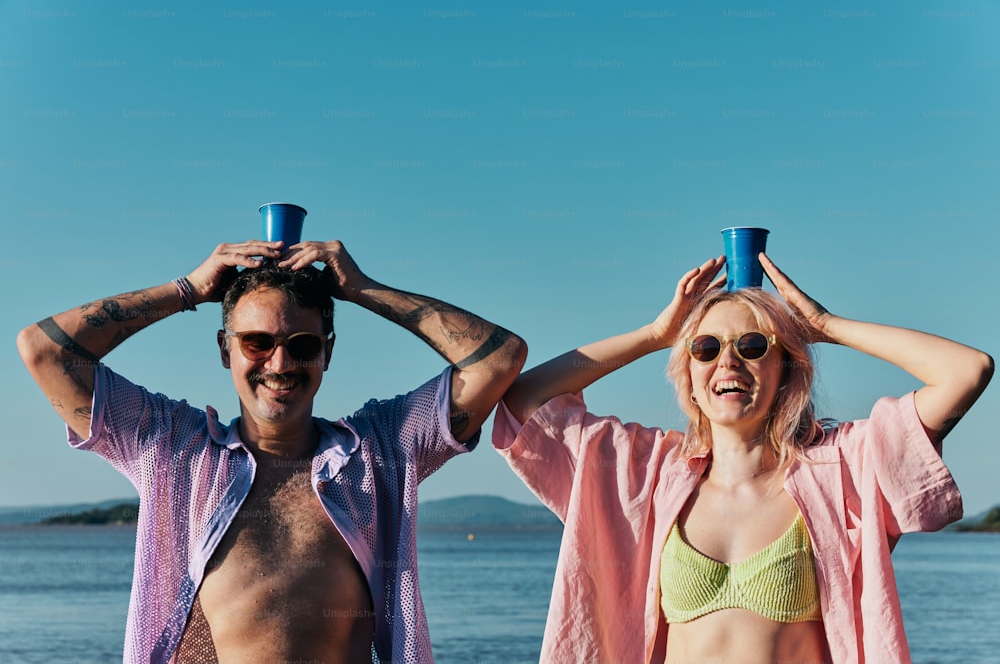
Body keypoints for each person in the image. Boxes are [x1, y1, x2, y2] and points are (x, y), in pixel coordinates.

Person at [17, 238, 527, 664]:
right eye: (257, 342)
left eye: (303, 344)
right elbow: (46, 350)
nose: (280, 363)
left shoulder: (380, 451)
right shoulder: (172, 450)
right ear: (225, 349)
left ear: (327, 352)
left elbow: (498, 357)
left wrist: (363, 290)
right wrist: (189, 289)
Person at [493, 253, 992, 663]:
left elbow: (965, 371)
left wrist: (826, 325)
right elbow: (524, 399)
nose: (727, 361)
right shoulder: (646, 472)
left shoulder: (843, 469)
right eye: (705, 348)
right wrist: (655, 334)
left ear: (787, 369)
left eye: (752, 345)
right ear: (687, 371)